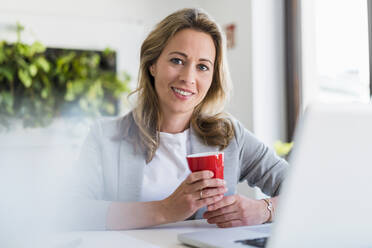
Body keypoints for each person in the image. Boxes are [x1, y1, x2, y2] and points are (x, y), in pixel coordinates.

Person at [71, 8, 288, 230]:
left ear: (213, 78)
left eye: (202, 67)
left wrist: (264, 209)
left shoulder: (229, 136)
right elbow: (75, 213)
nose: (188, 78)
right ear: (152, 64)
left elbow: (303, 187)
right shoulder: (105, 137)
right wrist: (164, 209)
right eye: (177, 60)